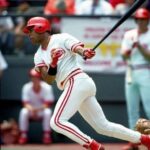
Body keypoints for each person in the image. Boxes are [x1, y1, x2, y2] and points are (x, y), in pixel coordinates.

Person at [23, 16, 150, 150]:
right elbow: (48, 80)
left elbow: (77, 48)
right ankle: (144, 139)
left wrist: (84, 52)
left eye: (31, 30)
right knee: (102, 127)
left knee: (56, 122)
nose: (29, 35)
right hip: (76, 85)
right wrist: (53, 63)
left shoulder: (60, 38)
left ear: (40, 28)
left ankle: (93, 146)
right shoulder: (38, 56)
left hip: (76, 80)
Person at [121, 8, 150, 150]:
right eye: (139, 19)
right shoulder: (129, 34)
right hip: (131, 71)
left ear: (148, 20)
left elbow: (149, 57)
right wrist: (129, 50)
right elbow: (124, 56)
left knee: (149, 108)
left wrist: (138, 46)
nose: (141, 22)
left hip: (146, 70)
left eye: (144, 19)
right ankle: (134, 142)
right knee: (132, 109)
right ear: (136, 20)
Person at [18, 68, 55, 144]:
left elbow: (48, 104)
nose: (35, 79)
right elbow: (25, 104)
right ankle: (23, 135)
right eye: (33, 77)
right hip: (31, 111)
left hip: (41, 111)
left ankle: (47, 135)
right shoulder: (26, 87)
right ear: (30, 78)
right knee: (23, 111)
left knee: (47, 112)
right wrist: (32, 110)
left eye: (37, 77)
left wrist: (36, 110)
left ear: (40, 78)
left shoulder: (47, 87)